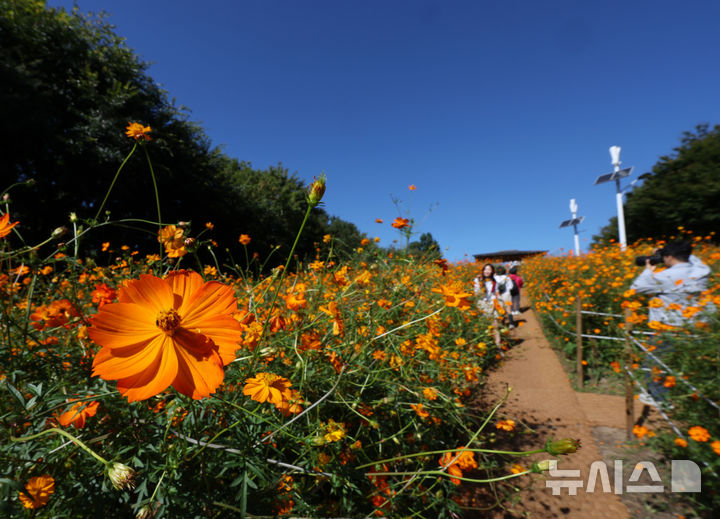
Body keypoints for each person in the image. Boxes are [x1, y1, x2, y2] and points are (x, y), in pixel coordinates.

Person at [629, 240, 713, 407]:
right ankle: (690, 399)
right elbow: (693, 260)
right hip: (695, 327)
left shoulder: (664, 277)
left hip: (668, 328)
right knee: (687, 364)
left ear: (669, 257)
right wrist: (670, 253)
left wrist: (649, 269)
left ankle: (661, 399)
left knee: (656, 363)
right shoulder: (702, 272)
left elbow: (637, 287)